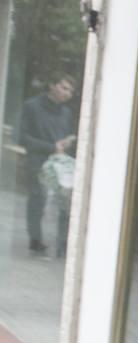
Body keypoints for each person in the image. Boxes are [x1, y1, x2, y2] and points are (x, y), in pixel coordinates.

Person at [19, 74, 77, 256]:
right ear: (52, 85)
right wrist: (51, 146)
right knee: (38, 200)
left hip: (60, 164)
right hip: (37, 161)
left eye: (70, 91)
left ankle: (63, 245)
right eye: (64, 87)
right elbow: (21, 137)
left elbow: (65, 138)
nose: (67, 93)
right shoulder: (32, 106)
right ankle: (35, 241)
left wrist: (69, 141)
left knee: (65, 204)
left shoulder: (66, 112)